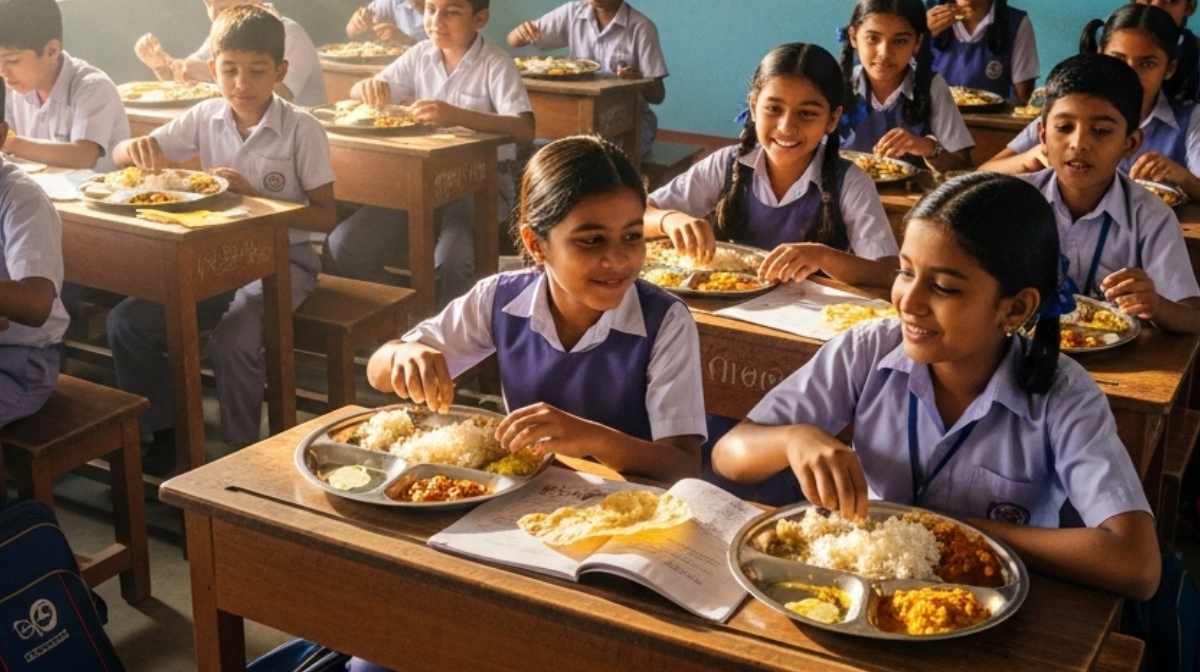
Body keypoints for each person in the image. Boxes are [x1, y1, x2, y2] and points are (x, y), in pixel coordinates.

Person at [713, 172, 1161, 602]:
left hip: (990, 606)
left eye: (943, 287)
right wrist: (794, 439)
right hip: (861, 584)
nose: (909, 301)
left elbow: (1136, 565)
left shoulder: (1063, 393)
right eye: (905, 272)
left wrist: (962, 530)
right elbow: (729, 455)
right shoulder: (868, 350)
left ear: (1015, 308)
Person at [109, 5, 337, 470]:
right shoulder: (205, 115)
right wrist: (133, 148)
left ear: (280, 72)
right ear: (213, 70)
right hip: (214, 261)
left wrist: (257, 199)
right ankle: (166, 433)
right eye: (229, 70)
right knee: (128, 322)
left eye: (256, 71)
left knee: (232, 338)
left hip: (284, 262)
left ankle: (242, 455)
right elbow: (119, 155)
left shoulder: (302, 128)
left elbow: (327, 217)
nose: (241, 83)